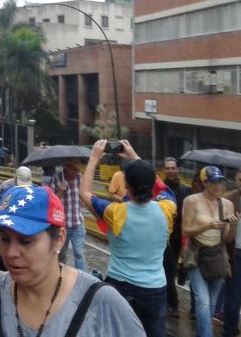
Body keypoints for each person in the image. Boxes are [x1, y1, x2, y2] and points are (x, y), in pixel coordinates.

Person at [0, 185, 145, 336]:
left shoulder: (103, 303)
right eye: (5, 239)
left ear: (59, 239)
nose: (11, 252)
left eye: (25, 241)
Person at [78, 140, 176, 337]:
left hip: (120, 285)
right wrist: (135, 157)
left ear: (126, 186)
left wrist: (94, 158)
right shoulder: (167, 208)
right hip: (155, 288)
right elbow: (161, 187)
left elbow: (84, 193)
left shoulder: (115, 212)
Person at [182, 165, 239, 337]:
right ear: (204, 183)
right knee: (203, 302)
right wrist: (208, 225)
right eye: (213, 182)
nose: (218, 186)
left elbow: (226, 239)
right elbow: (186, 230)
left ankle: (202, 334)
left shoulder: (227, 204)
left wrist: (233, 225)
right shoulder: (192, 201)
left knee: (212, 304)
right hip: (197, 254)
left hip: (217, 256)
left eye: (220, 182)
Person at [161, 157, 192, 318]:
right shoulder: (160, 189)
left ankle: (173, 303)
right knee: (167, 272)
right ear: (164, 170)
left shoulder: (185, 190)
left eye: (173, 168)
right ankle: (172, 303)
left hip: (181, 236)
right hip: (165, 237)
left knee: (178, 271)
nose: (171, 171)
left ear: (178, 169)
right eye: (168, 168)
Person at [54, 159, 87, 272]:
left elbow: (83, 195)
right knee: (61, 253)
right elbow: (51, 202)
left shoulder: (80, 178)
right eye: (74, 169)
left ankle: (82, 277)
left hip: (77, 222)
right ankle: (60, 275)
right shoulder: (56, 179)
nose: (77, 172)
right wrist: (60, 191)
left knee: (79, 253)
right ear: (67, 167)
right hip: (63, 224)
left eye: (78, 170)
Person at [223, 169, 241, 337]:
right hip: (236, 253)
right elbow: (221, 231)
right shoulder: (229, 199)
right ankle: (229, 331)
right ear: (236, 181)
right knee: (234, 296)